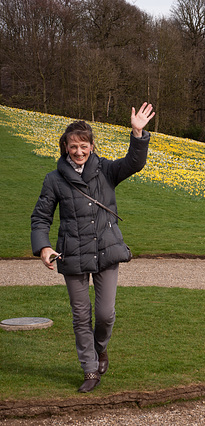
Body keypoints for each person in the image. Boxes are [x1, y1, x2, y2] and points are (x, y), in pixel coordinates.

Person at [31, 103, 155, 393]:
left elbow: (134, 163)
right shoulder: (54, 180)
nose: (78, 151)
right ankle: (89, 369)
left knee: (105, 315)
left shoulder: (107, 170)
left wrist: (138, 133)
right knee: (80, 315)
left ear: (91, 146)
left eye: (83, 146)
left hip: (106, 251)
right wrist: (43, 248)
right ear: (64, 147)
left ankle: (100, 349)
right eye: (73, 146)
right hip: (72, 254)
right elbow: (40, 218)